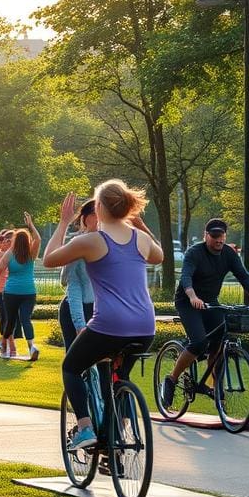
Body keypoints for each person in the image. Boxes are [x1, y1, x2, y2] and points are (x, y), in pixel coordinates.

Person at [42, 181, 163, 449]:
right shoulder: (140, 240)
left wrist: (63, 223)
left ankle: (85, 429)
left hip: (109, 325)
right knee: (117, 380)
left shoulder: (92, 240)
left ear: (98, 207)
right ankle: (114, 440)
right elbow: (159, 256)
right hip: (145, 327)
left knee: (71, 367)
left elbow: (48, 260)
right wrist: (140, 226)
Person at [161, 218, 249, 408]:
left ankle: (216, 388)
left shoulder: (228, 253)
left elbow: (244, 276)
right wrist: (193, 297)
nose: (219, 240)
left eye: (222, 236)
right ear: (206, 236)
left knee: (219, 342)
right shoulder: (195, 253)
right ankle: (171, 379)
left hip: (211, 302)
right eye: (215, 236)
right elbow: (186, 277)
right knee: (199, 342)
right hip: (188, 302)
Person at [0, 213, 41, 360]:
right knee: (26, 319)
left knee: (10, 320)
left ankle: (5, 343)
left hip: (11, 292)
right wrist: (31, 225)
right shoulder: (31, 253)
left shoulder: (9, 254)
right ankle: (31, 346)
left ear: (15, 241)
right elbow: (38, 238)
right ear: (27, 241)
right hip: (29, 292)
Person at [59, 199, 97, 351]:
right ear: (84, 219)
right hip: (79, 308)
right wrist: (80, 325)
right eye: (95, 213)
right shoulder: (79, 244)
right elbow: (71, 283)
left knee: (104, 367)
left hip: (99, 312)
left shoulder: (112, 243)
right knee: (75, 365)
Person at [0, 230, 22, 350]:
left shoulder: (17, 254)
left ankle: (5, 340)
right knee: (5, 315)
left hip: (11, 291)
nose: (12, 242)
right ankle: (3, 340)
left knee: (9, 316)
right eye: (9, 240)